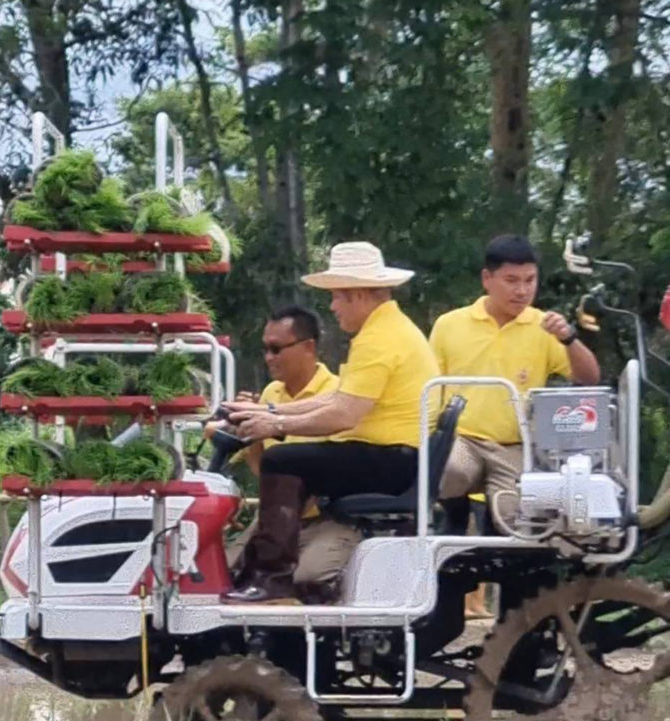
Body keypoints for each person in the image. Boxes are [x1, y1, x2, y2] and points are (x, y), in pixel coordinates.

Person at [222, 241, 440, 603]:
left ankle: (271, 577)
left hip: (392, 459)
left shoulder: (380, 339)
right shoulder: (388, 330)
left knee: (281, 459)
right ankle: (262, 569)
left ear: (357, 294)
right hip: (396, 454)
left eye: (337, 297)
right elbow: (340, 398)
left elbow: (343, 415)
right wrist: (270, 413)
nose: (332, 307)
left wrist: (275, 427)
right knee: (295, 458)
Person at [429, 234, 601, 526]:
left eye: (530, 280)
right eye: (511, 280)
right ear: (487, 278)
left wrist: (569, 338)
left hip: (514, 445)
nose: (522, 290)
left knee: (514, 518)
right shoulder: (449, 324)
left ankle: (495, 549)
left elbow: (589, 378)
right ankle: (454, 515)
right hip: (464, 439)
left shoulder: (543, 325)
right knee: (448, 473)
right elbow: (430, 389)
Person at [226, 306, 361, 600]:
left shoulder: (338, 396)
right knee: (222, 572)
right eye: (265, 349)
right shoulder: (270, 394)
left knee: (306, 578)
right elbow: (263, 473)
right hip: (278, 521)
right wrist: (247, 432)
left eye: (276, 349)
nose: (268, 358)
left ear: (308, 347)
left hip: (327, 519)